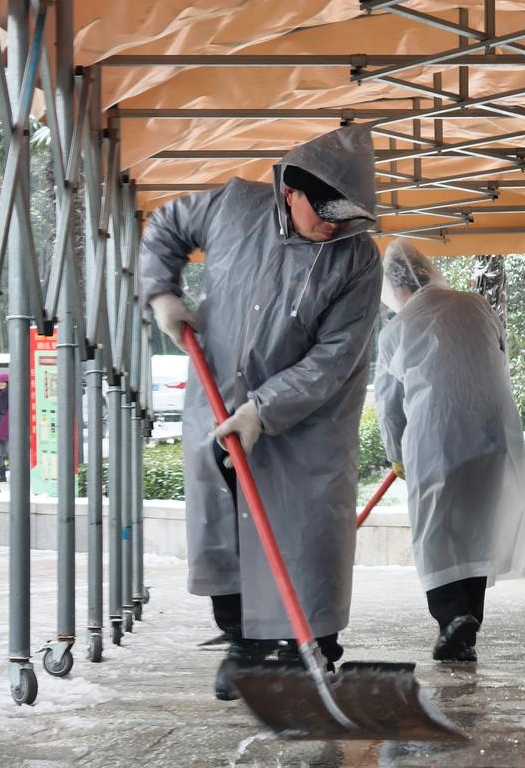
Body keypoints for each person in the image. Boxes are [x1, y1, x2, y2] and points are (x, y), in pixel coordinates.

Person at [140, 125, 382, 699]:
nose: (332, 225)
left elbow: (335, 356)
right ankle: (245, 646)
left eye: (344, 216)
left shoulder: (357, 259)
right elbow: (166, 226)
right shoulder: (234, 205)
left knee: (307, 535)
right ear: (290, 192)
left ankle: (315, 651)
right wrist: (162, 295)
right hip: (219, 395)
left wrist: (263, 411)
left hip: (309, 418)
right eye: (322, 211)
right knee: (226, 529)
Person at [374, 240, 525, 663]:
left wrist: (396, 455)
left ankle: (451, 619)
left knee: (436, 533)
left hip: (436, 435)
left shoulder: (396, 331)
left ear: (395, 287)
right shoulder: (477, 305)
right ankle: (466, 629)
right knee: (475, 531)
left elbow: (388, 407)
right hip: (494, 433)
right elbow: (495, 356)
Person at [0, 373, 8, 484]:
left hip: (6, 428)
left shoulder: (10, 395)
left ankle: (3, 474)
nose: (1, 384)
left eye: (3, 382)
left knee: (5, 453)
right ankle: (2, 475)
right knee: (1, 454)